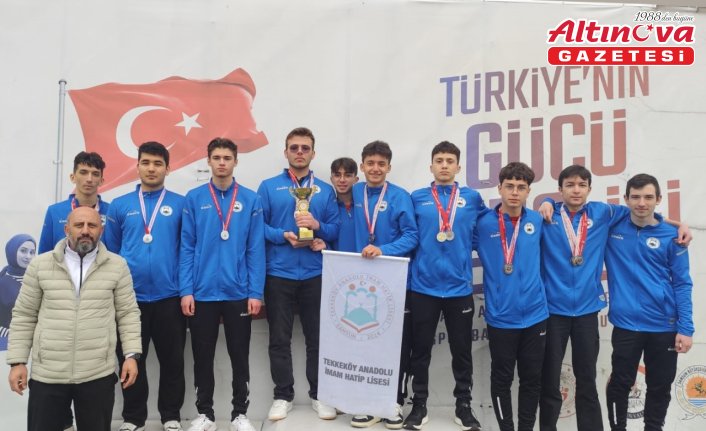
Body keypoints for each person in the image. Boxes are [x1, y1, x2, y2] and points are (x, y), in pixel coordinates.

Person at [537, 165, 692, 431]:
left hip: (606, 315)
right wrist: (548, 202)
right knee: (556, 380)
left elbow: (646, 215)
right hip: (564, 312)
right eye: (570, 185)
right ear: (560, 189)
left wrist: (681, 224)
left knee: (594, 381)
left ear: (589, 188)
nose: (641, 203)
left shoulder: (605, 213)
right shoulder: (549, 217)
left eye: (582, 185)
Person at [6, 206, 142, 431]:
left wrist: (131, 356)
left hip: (96, 374)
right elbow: (24, 315)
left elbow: (128, 313)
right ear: (67, 229)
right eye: (79, 225)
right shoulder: (40, 265)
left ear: (101, 230)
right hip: (48, 374)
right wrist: (18, 361)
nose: (85, 231)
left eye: (92, 225)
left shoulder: (117, 266)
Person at [179, 138, 265, 431]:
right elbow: (186, 247)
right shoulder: (194, 198)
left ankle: (240, 414)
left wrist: (255, 292)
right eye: (216, 157)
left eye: (227, 158)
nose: (222, 163)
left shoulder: (251, 199)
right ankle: (205, 414)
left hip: (237, 292)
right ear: (208, 161)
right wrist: (186, 290)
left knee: (239, 356)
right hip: (202, 293)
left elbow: (255, 249)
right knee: (202, 356)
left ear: (235, 161)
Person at [257, 127, 340, 422]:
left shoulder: (325, 190)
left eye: (305, 148)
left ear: (313, 153)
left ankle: (320, 394)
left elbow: (335, 229)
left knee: (317, 338)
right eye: (294, 147)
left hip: (315, 274)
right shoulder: (268, 187)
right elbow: (258, 228)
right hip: (279, 273)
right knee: (279, 338)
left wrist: (318, 228)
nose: (300, 152)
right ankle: (283, 395)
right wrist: (282, 236)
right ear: (286, 152)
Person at [105, 142, 187, 431]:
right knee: (131, 360)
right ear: (137, 165)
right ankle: (133, 418)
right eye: (146, 162)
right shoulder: (120, 205)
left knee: (173, 361)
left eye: (157, 163)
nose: (151, 168)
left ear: (168, 168)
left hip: (169, 297)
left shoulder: (181, 204)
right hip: (130, 300)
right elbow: (112, 252)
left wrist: (184, 289)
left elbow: (187, 250)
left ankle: (171, 415)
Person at [405, 141, 485, 431]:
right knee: (420, 351)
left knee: (461, 351)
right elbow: (408, 235)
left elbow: (490, 226)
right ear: (431, 166)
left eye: (450, 161)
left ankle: (463, 406)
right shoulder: (417, 197)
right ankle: (419, 404)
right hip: (423, 288)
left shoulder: (472, 198)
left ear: (458, 167)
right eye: (439, 160)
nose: (444, 165)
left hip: (459, 289)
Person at [604, 173, 693, 431]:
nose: (642, 203)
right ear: (626, 199)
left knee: (659, 385)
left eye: (648, 197)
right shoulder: (612, 228)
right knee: (620, 383)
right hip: (626, 324)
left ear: (658, 199)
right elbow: (578, 208)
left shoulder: (673, 236)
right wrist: (549, 203)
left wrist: (686, 328)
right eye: (635, 197)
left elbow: (682, 283)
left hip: (664, 325)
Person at [472, 162, 548, 431]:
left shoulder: (537, 220)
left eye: (521, 187)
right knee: (502, 379)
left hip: (536, 315)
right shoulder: (482, 224)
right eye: (510, 186)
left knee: (531, 379)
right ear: (499, 188)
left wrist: (550, 202)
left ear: (529, 191)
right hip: (501, 316)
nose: (515, 192)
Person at [349, 140, 418, 429]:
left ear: (389, 167)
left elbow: (412, 236)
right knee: (366, 343)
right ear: (362, 166)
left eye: (381, 164)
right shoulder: (353, 192)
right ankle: (368, 401)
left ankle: (395, 403)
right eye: (370, 163)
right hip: (361, 285)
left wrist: (383, 249)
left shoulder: (400, 196)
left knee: (397, 346)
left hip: (394, 283)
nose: (375, 168)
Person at [38, 151, 110, 253]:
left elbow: (116, 254)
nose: (89, 179)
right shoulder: (54, 211)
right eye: (83, 172)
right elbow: (44, 254)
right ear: (73, 177)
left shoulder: (111, 212)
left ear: (101, 181)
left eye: (95, 174)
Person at [0, 234, 36, 351]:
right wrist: (15, 334)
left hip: (38, 345)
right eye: (23, 251)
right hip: (9, 346)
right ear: (12, 251)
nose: (28, 256)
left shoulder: (37, 279)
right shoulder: (2, 282)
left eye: (32, 252)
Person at [329, 157, 359, 252]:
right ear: (331, 179)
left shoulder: (365, 206)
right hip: (336, 260)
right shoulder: (327, 207)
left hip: (364, 259)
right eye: (337, 175)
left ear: (356, 179)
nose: (342, 180)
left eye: (348, 175)